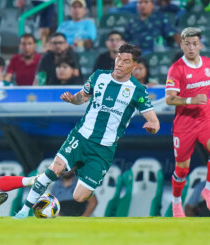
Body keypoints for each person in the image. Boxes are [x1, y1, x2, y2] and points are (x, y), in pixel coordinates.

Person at [14, 43, 160, 219]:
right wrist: (72, 99)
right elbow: (81, 98)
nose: (120, 64)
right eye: (118, 59)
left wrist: (152, 127)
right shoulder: (99, 76)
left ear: (134, 66)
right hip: (81, 136)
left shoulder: (138, 90)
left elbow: (154, 121)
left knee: (79, 196)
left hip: (103, 149)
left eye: (126, 61)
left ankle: (57, 193)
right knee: (55, 170)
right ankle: (23, 211)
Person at [165, 27, 210, 218]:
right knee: (182, 169)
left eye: (194, 43)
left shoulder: (208, 64)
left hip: (205, 119)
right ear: (182, 45)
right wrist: (190, 100)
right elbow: (169, 99)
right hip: (184, 123)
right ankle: (176, 203)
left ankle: (207, 189)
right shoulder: (176, 69)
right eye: (187, 44)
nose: (191, 47)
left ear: (200, 44)